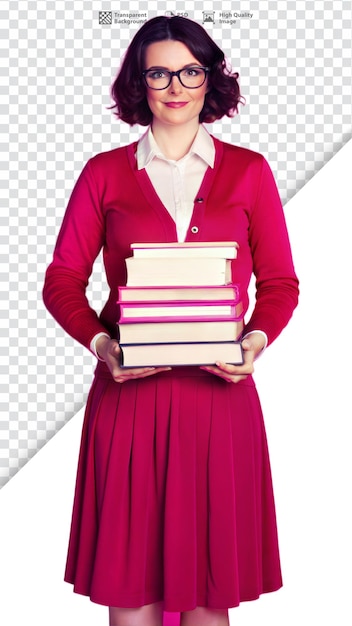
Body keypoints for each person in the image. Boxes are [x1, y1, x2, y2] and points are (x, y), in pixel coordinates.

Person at [43, 15, 299, 626]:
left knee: (209, 601)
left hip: (221, 400)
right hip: (130, 399)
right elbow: (61, 281)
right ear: (141, 82)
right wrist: (103, 345)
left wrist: (255, 342)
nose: (176, 84)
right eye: (159, 71)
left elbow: (282, 284)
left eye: (190, 70)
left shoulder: (249, 171)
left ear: (210, 78)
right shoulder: (104, 173)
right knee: (133, 599)